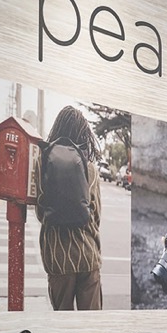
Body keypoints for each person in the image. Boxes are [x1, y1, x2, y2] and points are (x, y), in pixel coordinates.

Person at [36, 105, 102, 310]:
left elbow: (40, 212)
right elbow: (96, 215)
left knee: (63, 327)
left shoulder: (42, 161)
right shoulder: (89, 167)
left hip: (58, 259)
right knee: (90, 329)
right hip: (88, 256)